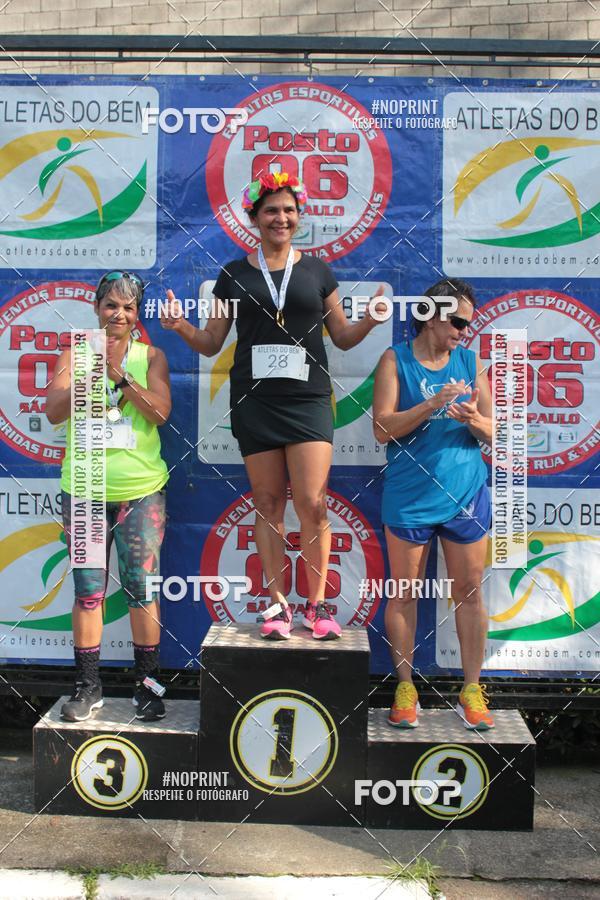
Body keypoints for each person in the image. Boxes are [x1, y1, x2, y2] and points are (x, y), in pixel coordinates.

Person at [161, 171, 384, 641]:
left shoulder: (318, 271)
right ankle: (279, 606)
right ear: (254, 218)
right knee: (266, 504)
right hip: (255, 401)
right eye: (270, 211)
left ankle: (317, 607)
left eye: (288, 210)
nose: (280, 218)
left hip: (308, 400)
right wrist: (181, 327)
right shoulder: (233, 275)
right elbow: (211, 342)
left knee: (312, 503)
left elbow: (343, 337)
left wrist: (369, 320)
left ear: (299, 216)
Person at [46, 271, 171, 722]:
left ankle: (148, 688)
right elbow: (52, 412)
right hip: (85, 491)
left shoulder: (151, 356)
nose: (119, 314)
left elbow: (160, 413)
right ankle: (87, 688)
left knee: (141, 590)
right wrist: (89, 374)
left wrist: (120, 377)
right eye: (111, 305)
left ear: (137, 315)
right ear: (97, 309)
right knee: (88, 593)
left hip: (141, 492)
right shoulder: (73, 354)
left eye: (128, 307)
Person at [372, 279, 494, 730]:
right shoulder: (395, 360)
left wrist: (474, 419)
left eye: (468, 323)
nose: (463, 330)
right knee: (404, 592)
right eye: (457, 321)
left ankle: (472, 689)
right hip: (410, 497)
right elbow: (381, 429)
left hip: (465, 493)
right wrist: (432, 404)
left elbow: (494, 432)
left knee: (470, 590)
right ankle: (405, 688)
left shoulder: (470, 361)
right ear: (431, 316)